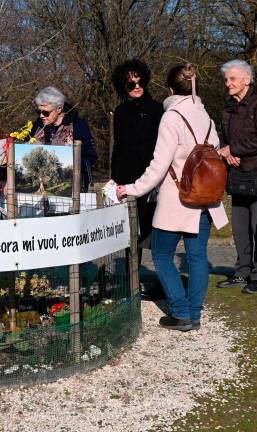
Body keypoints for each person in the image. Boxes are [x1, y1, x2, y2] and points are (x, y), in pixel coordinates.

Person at [115, 64, 229, 331]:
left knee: (162, 254)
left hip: (177, 199)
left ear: (169, 89)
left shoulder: (172, 116)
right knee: (198, 256)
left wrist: (132, 188)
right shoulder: (207, 117)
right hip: (205, 198)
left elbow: (159, 165)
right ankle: (195, 314)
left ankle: (180, 312)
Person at [216, 60, 257, 294]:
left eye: (232, 79)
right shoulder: (228, 107)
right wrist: (226, 152)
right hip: (237, 175)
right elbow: (222, 137)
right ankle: (242, 271)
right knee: (240, 228)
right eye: (226, 79)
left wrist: (235, 149)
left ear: (246, 80)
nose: (227, 83)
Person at [110, 59, 165, 301]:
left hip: (153, 177)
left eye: (139, 80)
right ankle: (130, 282)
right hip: (127, 179)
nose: (136, 85)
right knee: (129, 232)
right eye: (131, 83)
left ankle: (164, 282)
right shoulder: (120, 112)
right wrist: (114, 179)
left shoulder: (157, 109)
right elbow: (118, 147)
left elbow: (162, 146)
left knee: (156, 232)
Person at [30, 86, 98, 192]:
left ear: (59, 109)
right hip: (39, 189)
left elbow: (90, 157)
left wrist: (68, 163)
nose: (42, 116)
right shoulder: (35, 127)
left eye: (46, 112)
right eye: (39, 112)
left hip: (72, 189)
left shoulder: (78, 126)